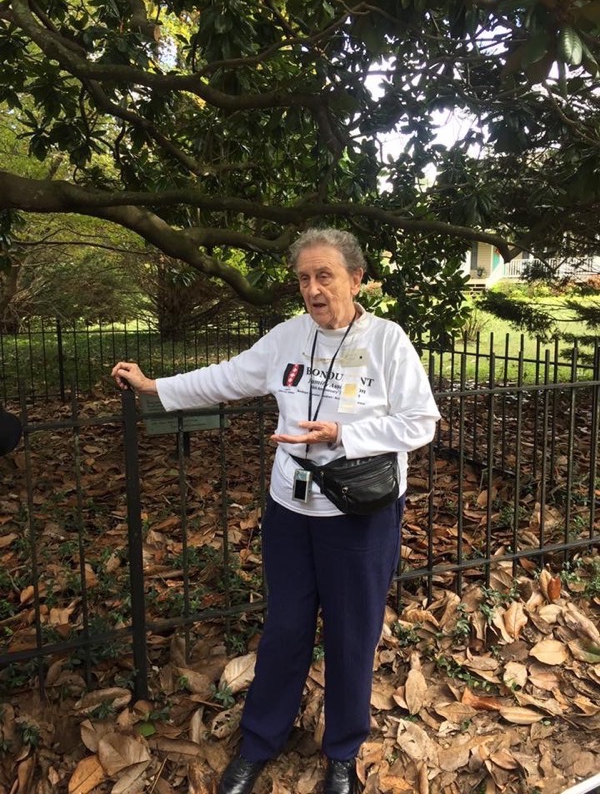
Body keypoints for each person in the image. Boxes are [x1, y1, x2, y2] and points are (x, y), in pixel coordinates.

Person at [111, 228, 440, 794]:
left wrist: (344, 431)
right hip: (291, 509)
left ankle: (342, 753)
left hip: (358, 515)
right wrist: (153, 386)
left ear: (356, 279)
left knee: (351, 634)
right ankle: (261, 740)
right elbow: (227, 377)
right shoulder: (286, 338)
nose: (313, 289)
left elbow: (420, 423)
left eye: (325, 276)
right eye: (304, 279)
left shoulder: (387, 341)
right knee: (285, 628)